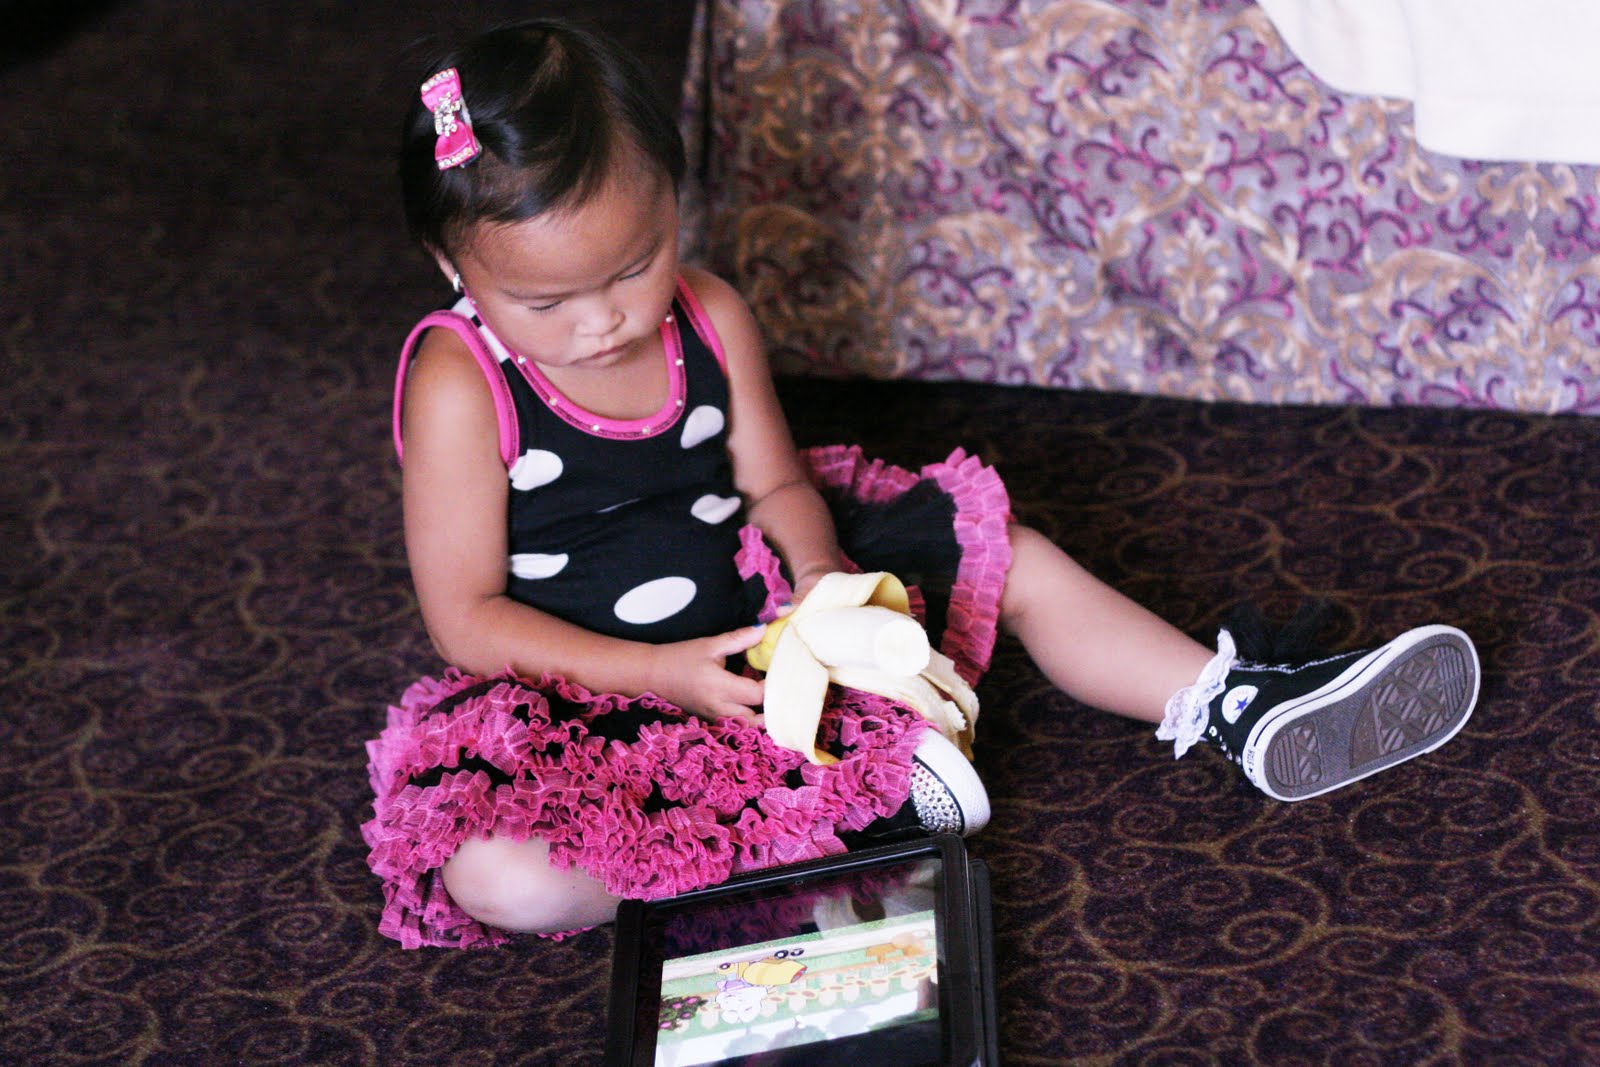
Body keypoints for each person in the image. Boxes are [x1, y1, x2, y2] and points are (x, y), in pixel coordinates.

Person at [362, 18, 1481, 949]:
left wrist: (821, 572)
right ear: (455, 267)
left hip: (753, 620)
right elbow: (468, 617)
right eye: (547, 304)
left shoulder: (709, 314)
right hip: (581, 681)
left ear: (672, 209)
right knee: (504, 878)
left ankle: (1233, 702)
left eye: (633, 266)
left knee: (1010, 557)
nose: (604, 320)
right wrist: (659, 673)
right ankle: (834, 809)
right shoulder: (463, 383)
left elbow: (774, 484)